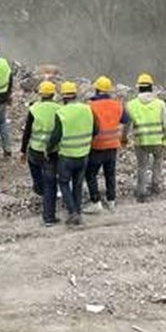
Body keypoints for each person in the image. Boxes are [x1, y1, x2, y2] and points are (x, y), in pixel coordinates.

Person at [45, 81, 95, 226]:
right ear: (76, 94)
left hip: (67, 155)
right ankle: (77, 211)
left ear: (63, 97)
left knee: (64, 183)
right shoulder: (87, 109)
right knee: (78, 184)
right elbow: (96, 130)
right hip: (84, 153)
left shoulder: (61, 113)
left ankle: (73, 213)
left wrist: (48, 150)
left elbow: (56, 136)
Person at [124, 72, 166, 202]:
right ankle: (155, 186)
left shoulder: (131, 105)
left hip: (141, 141)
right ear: (151, 87)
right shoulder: (160, 104)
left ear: (138, 87)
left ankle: (141, 191)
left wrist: (124, 138)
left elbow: (127, 125)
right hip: (157, 141)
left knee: (142, 166)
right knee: (158, 162)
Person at [84, 76, 128, 214]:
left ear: (96, 89)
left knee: (90, 174)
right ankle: (111, 201)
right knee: (110, 174)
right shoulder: (117, 105)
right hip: (113, 145)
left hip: (96, 146)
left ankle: (96, 202)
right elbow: (126, 120)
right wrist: (123, 138)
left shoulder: (90, 106)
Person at [20, 80, 61, 227]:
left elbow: (27, 132)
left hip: (35, 151)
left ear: (40, 95)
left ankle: (40, 192)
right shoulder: (59, 109)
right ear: (53, 94)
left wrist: (23, 151)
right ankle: (49, 217)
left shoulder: (34, 108)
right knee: (51, 183)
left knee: (38, 178)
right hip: (51, 152)